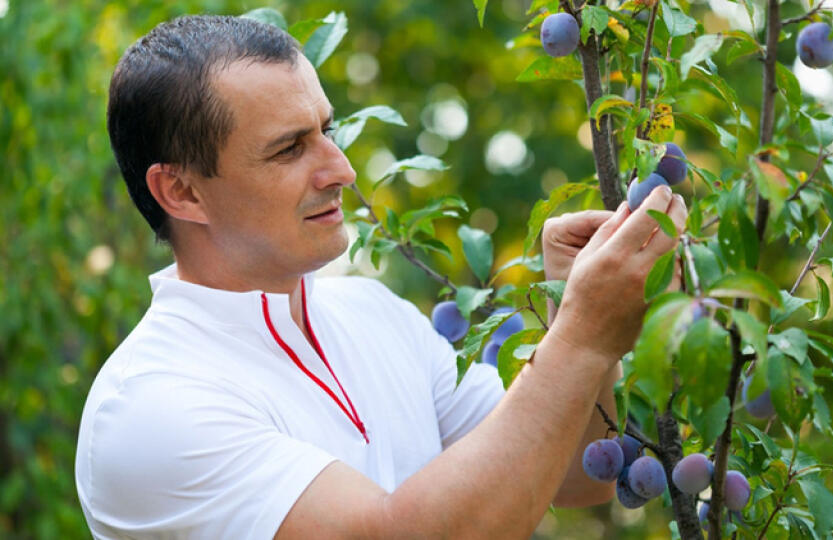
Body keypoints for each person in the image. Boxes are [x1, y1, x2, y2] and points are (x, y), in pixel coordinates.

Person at [74, 14, 687, 539]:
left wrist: (565, 313)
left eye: (328, 130)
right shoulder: (149, 408)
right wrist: (583, 335)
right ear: (181, 191)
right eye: (289, 149)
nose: (340, 168)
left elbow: (573, 475)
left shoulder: (373, 312)